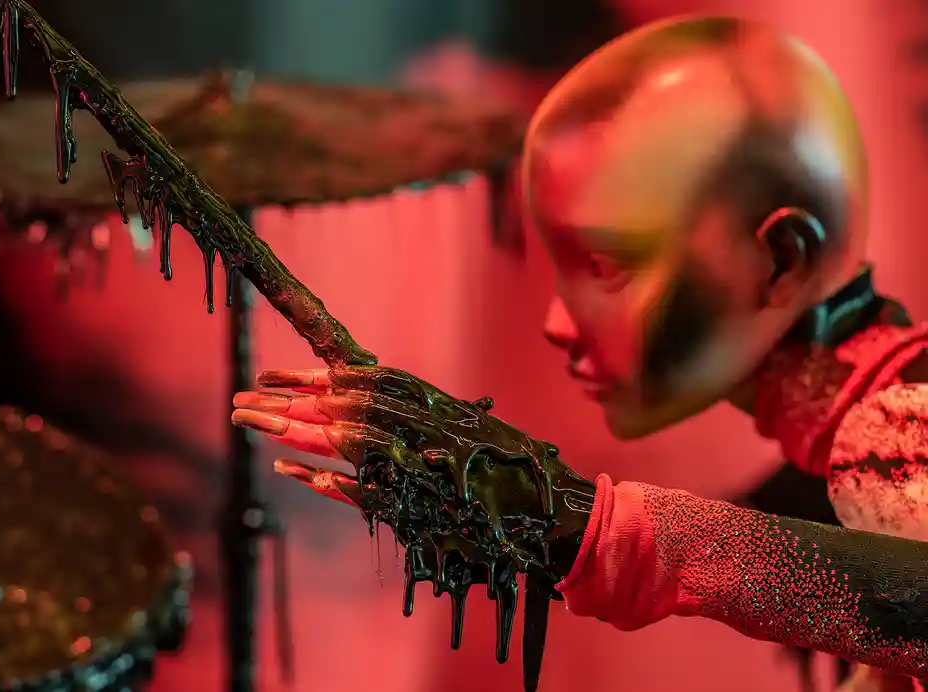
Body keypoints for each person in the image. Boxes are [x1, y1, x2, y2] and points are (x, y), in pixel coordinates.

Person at [231, 15, 928, 692]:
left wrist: (606, 534)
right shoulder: (860, 445)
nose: (558, 323)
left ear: (781, 259)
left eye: (607, 266)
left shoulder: (890, 440)